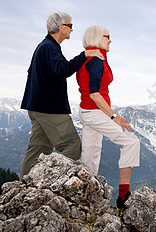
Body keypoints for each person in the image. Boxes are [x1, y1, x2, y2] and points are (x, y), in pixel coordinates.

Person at [20, 12, 104, 179]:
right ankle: (50, 180)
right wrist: (85, 55)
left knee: (39, 147)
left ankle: (25, 184)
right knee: (72, 145)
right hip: (50, 109)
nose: (72, 29)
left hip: (36, 107)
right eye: (70, 25)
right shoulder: (49, 47)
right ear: (60, 27)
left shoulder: (44, 46)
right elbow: (63, 69)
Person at [76, 25, 140, 209]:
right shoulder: (96, 60)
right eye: (107, 37)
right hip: (95, 112)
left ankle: (85, 194)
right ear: (96, 38)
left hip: (87, 111)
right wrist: (115, 117)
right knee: (131, 142)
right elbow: (95, 94)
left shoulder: (90, 56)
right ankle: (123, 196)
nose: (110, 40)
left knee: (91, 152)